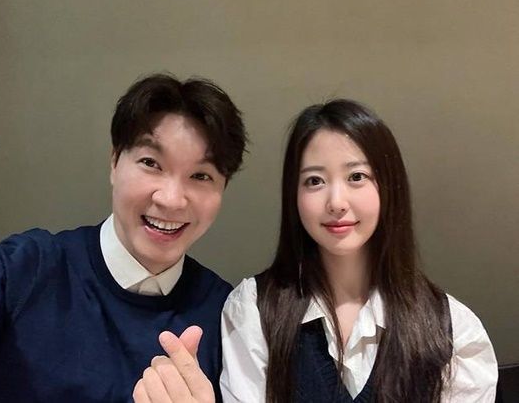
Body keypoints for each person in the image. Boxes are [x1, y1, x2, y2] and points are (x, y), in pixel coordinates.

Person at [134, 99, 497, 403]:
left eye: (357, 177)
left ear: (389, 186)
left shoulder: (453, 331)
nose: (336, 202)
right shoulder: (254, 310)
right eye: (314, 181)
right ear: (294, 196)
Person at [0, 73, 247, 402]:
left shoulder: (230, 317)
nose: (171, 199)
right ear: (114, 162)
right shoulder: (19, 272)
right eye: (151, 163)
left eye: (201, 175)